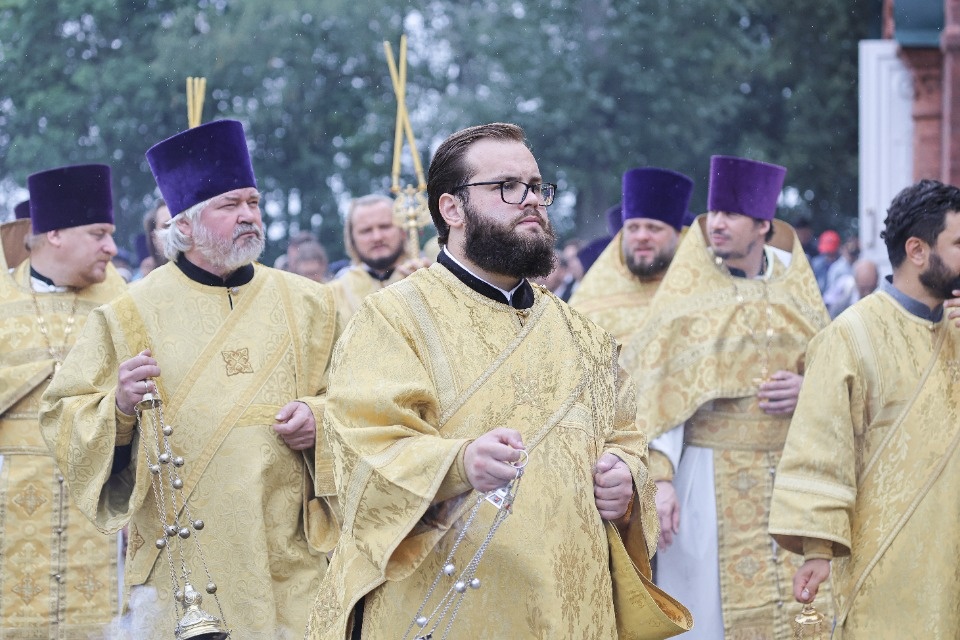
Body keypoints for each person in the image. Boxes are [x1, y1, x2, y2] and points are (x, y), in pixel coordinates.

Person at [305, 123, 664, 639]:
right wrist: (458, 463)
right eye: (507, 187)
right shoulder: (394, 318)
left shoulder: (583, 334)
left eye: (536, 186)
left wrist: (625, 479)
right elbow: (362, 450)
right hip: (454, 608)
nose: (531, 201)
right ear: (452, 209)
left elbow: (625, 434)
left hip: (572, 607)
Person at [39, 120, 340, 638]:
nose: (248, 215)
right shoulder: (128, 313)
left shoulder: (311, 302)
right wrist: (119, 406)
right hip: (187, 558)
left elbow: (359, 402)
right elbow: (63, 415)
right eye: (229, 205)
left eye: (253, 202)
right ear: (185, 225)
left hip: (294, 550)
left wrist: (321, 418)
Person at [621, 155, 830, 639]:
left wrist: (808, 389)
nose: (716, 223)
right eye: (714, 213)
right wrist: (661, 480)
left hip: (787, 479)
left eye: (731, 215)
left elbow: (831, 371)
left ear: (762, 225)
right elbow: (658, 391)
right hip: (706, 478)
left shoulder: (795, 287)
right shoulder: (688, 291)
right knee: (706, 612)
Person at [768, 179, 960, 638]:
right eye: (959, 244)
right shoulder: (850, 336)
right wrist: (818, 549)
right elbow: (821, 447)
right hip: (886, 561)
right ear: (917, 250)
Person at [1, 164, 127, 636]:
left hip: (97, 515)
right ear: (54, 233)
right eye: (98, 234)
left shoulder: (124, 305)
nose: (112, 248)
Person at [569, 167, 693, 343]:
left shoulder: (704, 294)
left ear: (678, 235)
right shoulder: (588, 306)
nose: (641, 236)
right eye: (633, 228)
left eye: (654, 228)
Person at [328, 194, 429, 323]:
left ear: (402, 231)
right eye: (366, 231)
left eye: (384, 226)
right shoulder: (337, 293)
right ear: (351, 239)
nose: (377, 237)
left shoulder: (427, 275)